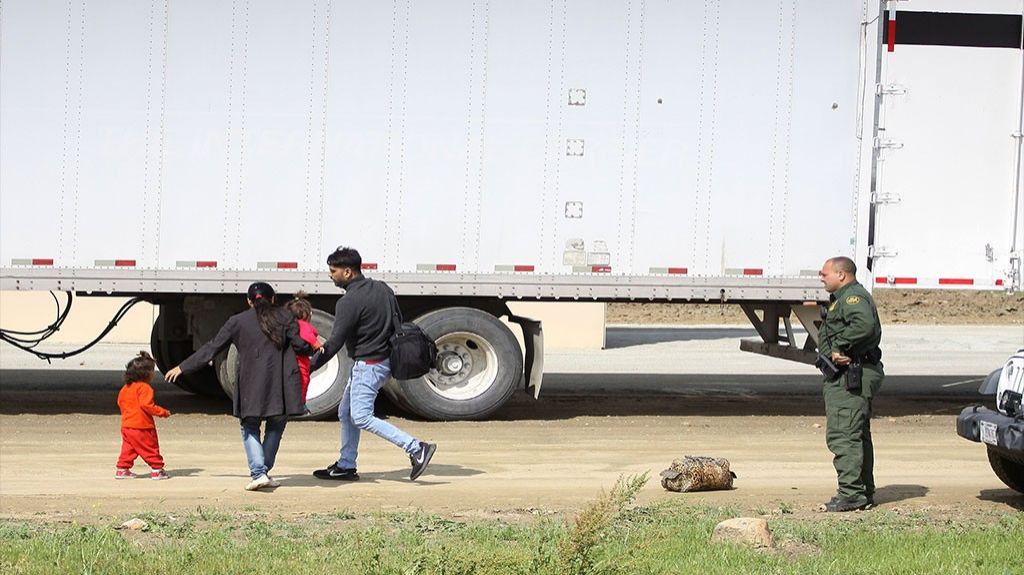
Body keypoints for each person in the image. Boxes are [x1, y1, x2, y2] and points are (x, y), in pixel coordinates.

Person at [165, 282, 317, 491]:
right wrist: (314, 347)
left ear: (248, 301)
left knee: (250, 426)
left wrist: (183, 367)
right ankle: (262, 472)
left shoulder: (237, 321)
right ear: (273, 299)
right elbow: (300, 345)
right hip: (280, 386)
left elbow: (212, 347)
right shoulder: (285, 317)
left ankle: (259, 473)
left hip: (251, 385)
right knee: (275, 426)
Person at [311, 246, 436, 482]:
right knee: (346, 412)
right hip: (384, 360)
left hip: (368, 364)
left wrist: (308, 368)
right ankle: (346, 465)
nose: (330, 275)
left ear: (348, 272)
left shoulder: (348, 302)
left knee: (360, 416)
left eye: (333, 270)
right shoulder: (382, 288)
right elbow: (396, 321)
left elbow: (335, 342)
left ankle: (416, 447)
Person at [816, 256, 884, 512]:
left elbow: (864, 325)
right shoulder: (844, 298)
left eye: (825, 274)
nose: (821, 278)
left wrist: (839, 346)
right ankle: (862, 491)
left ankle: (851, 494)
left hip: (851, 375)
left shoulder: (852, 298)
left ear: (841, 275)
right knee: (856, 434)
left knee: (843, 434)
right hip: (851, 373)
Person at [115, 351, 171, 480]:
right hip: (142, 426)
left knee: (129, 448)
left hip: (127, 425)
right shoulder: (145, 388)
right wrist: (162, 412)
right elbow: (147, 405)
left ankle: (122, 469)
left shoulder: (126, 388)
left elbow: (120, 402)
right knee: (150, 447)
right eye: (152, 371)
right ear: (146, 374)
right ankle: (157, 469)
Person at [286, 291, 320, 413]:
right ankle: (301, 404)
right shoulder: (304, 325)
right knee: (304, 381)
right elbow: (309, 336)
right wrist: (317, 345)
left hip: (289, 360)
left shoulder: (288, 325)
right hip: (301, 361)